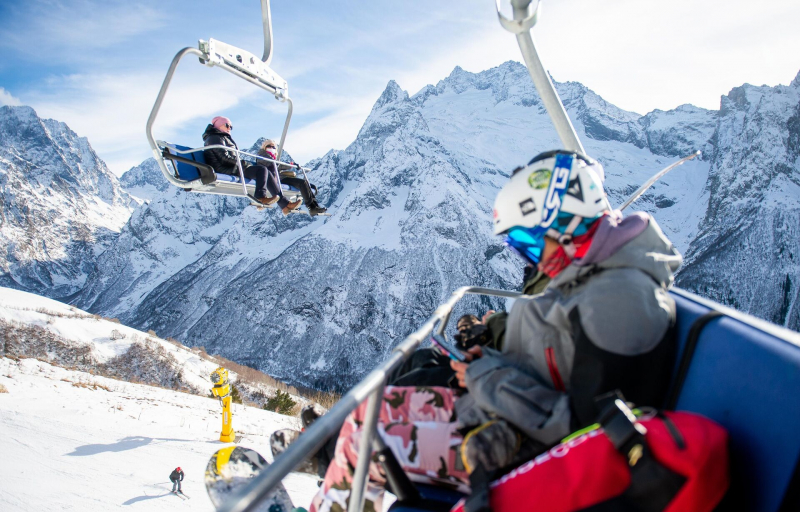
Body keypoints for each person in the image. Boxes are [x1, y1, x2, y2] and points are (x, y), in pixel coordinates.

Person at [309, 149, 682, 512]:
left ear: (571, 221)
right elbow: (548, 366)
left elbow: (587, 435)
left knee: (365, 437)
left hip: (523, 451)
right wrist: (483, 362)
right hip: (501, 417)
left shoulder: (619, 300)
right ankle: (328, 480)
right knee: (370, 412)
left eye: (534, 242)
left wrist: (485, 374)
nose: (533, 259)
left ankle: (328, 489)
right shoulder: (588, 276)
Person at [202, 116, 301, 213]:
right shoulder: (214, 138)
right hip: (224, 168)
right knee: (261, 170)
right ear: (218, 125)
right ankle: (261, 197)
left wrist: (241, 163)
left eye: (231, 127)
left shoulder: (221, 137)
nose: (229, 128)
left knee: (265, 171)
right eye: (227, 125)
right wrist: (242, 163)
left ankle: (284, 204)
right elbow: (223, 158)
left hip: (232, 167)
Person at [258, 140, 327, 216]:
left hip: (280, 177)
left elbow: (277, 166)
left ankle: (314, 206)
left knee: (305, 184)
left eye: (273, 147)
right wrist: (290, 165)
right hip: (276, 179)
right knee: (302, 183)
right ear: (264, 147)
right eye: (269, 146)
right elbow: (275, 165)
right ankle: (312, 207)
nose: (271, 148)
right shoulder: (262, 155)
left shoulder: (273, 158)